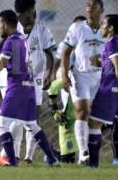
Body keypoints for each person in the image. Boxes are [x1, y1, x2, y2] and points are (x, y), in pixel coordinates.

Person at [0, 9, 58, 167]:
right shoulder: (22, 38)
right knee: (32, 125)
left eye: (0, 23)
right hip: (29, 87)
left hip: (16, 88)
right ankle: (52, 160)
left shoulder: (10, 41)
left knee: (1, 126)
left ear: (6, 24)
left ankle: (12, 161)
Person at [0, 0, 56, 164]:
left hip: (33, 80)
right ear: (30, 10)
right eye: (33, 9)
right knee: (14, 119)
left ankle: (26, 156)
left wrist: (49, 75)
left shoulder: (42, 30)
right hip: (10, 79)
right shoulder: (11, 28)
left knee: (30, 119)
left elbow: (50, 54)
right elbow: (1, 50)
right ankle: (11, 155)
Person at [61, 0, 105, 164]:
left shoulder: (107, 29)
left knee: (96, 120)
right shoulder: (77, 27)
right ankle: (83, 153)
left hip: (100, 76)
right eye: (88, 5)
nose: (90, 8)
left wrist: (103, 61)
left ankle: (93, 159)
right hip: (81, 75)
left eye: (94, 6)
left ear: (101, 10)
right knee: (82, 112)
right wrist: (65, 74)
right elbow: (65, 52)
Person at [47, 15, 86, 163]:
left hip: (85, 83)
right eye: (75, 26)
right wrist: (54, 76)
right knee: (67, 118)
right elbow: (58, 60)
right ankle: (64, 155)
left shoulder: (90, 43)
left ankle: (73, 153)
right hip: (68, 82)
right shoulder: (66, 44)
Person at [87, 14, 118, 167]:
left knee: (94, 123)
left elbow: (117, 66)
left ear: (111, 28)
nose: (101, 27)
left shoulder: (112, 42)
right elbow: (111, 65)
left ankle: (92, 164)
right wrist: (100, 62)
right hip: (112, 88)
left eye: (104, 24)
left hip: (110, 89)